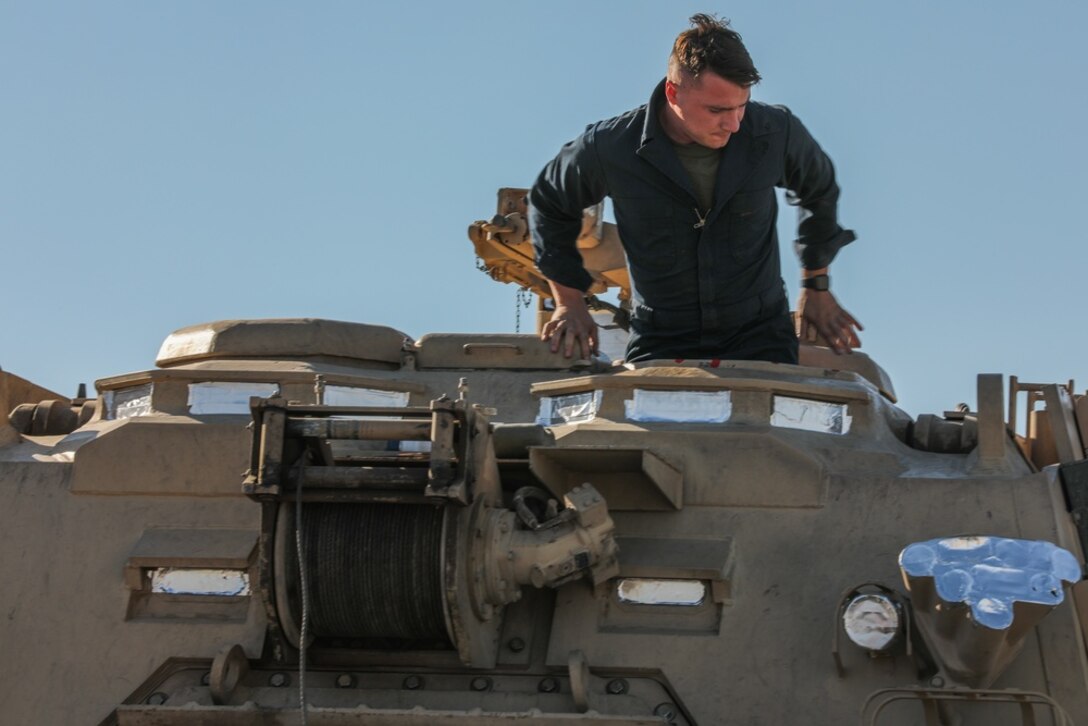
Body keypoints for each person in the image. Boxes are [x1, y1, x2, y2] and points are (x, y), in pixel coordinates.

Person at [528, 14, 862, 364]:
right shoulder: (610, 148)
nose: (733, 124)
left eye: (741, 107)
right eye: (717, 110)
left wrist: (816, 283)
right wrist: (568, 301)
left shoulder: (775, 133)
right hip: (661, 338)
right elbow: (548, 203)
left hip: (760, 334)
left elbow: (819, 188)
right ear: (674, 93)